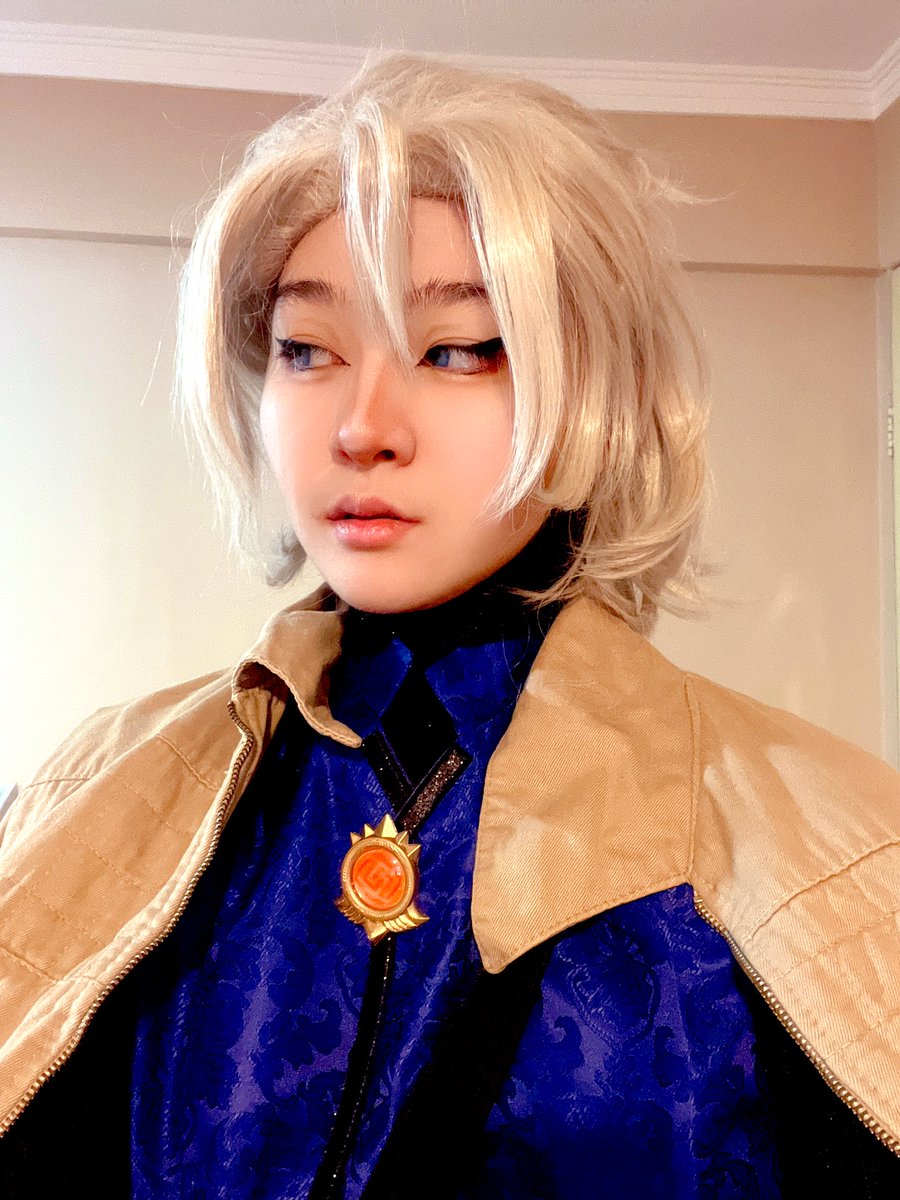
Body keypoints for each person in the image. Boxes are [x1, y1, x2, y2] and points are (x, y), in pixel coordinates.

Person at [1, 53, 899, 1199]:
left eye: (459, 349)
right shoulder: (86, 792)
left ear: (591, 389)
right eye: (307, 347)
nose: (361, 426)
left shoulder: (834, 841)